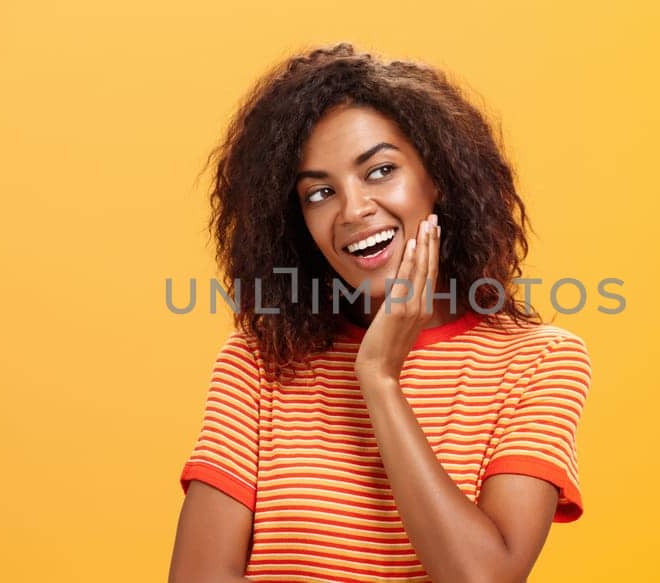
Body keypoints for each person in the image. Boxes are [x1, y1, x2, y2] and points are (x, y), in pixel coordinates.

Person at [169, 43, 592, 582]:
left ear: (437, 178)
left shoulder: (538, 363)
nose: (353, 211)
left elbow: (484, 578)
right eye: (320, 192)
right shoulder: (259, 362)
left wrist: (380, 377)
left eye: (380, 170)